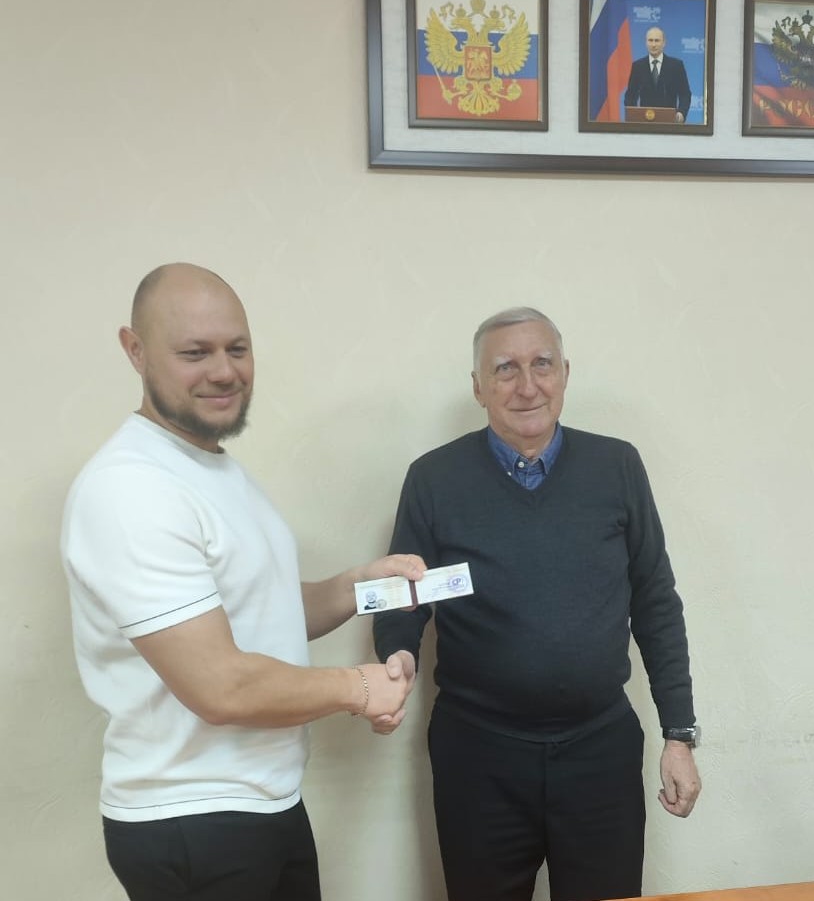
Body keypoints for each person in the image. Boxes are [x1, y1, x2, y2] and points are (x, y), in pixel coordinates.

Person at [61, 263, 424, 901]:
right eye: (195, 353)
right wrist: (359, 688)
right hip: (192, 820)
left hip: (263, 803)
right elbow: (220, 684)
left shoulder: (211, 467)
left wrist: (359, 585)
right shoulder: (131, 488)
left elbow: (260, 611)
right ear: (135, 350)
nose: (224, 371)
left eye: (237, 348)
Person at [373, 307, 701, 901]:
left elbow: (656, 601)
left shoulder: (617, 466)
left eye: (542, 364)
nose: (527, 385)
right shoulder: (433, 478)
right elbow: (403, 595)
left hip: (600, 750)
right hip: (477, 755)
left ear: (565, 374)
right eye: (505, 369)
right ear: (478, 386)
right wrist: (397, 657)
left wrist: (678, 734)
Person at [624, 26, 692, 123]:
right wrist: (633, 115)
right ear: (646, 42)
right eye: (650, 40)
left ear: (664, 43)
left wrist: (681, 113)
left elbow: (685, 94)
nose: (653, 44)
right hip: (644, 122)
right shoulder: (638, 66)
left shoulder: (676, 65)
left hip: (669, 122)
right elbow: (631, 95)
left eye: (657, 40)